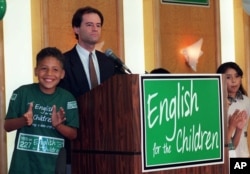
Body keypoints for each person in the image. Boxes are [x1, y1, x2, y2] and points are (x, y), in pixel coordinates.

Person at [4, 47, 79, 174]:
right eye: (44, 68)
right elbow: (7, 126)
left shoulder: (67, 98)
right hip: (23, 166)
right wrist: (24, 120)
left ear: (62, 74)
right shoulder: (22, 93)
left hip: (52, 166)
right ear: (36, 71)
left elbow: (73, 134)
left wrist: (58, 126)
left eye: (55, 69)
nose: (49, 73)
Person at [59, 6, 125, 98]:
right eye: (89, 25)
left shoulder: (109, 62)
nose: (95, 29)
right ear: (76, 29)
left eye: (98, 25)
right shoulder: (63, 61)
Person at [216, 62, 250, 158]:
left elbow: (232, 145)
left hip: (242, 153)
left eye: (237, 76)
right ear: (220, 78)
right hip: (224, 156)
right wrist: (231, 126)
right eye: (228, 77)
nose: (234, 81)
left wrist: (239, 129)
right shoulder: (216, 102)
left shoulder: (247, 101)